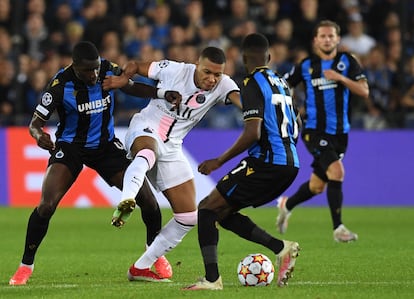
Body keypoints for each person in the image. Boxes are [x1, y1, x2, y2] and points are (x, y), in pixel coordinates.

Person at [9, 41, 181, 286]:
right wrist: (40, 137)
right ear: (75, 67)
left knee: (149, 200)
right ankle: (26, 266)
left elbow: (130, 87)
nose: (94, 75)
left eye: (96, 68)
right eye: (87, 70)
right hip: (71, 148)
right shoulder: (59, 85)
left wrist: (161, 93)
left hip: (106, 146)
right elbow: (35, 123)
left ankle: (154, 255)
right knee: (46, 206)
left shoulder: (107, 70)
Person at [102, 46, 242, 281]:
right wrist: (123, 79)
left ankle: (141, 267)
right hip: (146, 128)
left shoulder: (224, 85)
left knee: (188, 217)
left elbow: (245, 104)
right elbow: (136, 65)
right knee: (147, 151)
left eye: (217, 74)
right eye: (207, 72)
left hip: (173, 148)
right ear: (197, 65)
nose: (212, 79)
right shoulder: (175, 70)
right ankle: (127, 199)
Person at [182, 33, 301, 290]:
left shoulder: (251, 82)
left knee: (206, 209)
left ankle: (212, 280)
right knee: (223, 213)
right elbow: (297, 123)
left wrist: (219, 160)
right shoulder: (281, 83)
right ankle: (281, 248)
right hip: (290, 164)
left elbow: (253, 133)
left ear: (243, 59)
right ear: (269, 58)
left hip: (267, 163)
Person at [276, 20, 369, 242]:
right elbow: (283, 85)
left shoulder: (347, 62)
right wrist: (291, 106)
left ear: (338, 39)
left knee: (318, 186)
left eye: (331, 36)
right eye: (323, 36)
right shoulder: (306, 65)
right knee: (337, 172)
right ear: (315, 40)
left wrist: (341, 78)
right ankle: (339, 229)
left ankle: (286, 204)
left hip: (340, 134)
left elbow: (364, 91)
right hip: (314, 131)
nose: (327, 39)